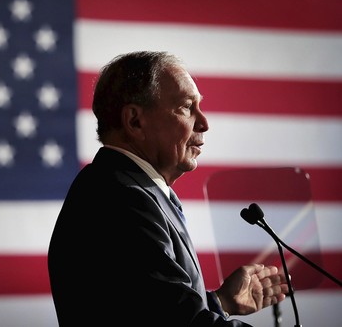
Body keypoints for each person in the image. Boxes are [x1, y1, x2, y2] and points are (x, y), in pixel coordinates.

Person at [47, 51, 289, 326]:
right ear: (135, 121)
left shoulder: (127, 187)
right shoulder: (122, 197)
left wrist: (220, 302)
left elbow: (150, 309)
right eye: (187, 107)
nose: (204, 123)